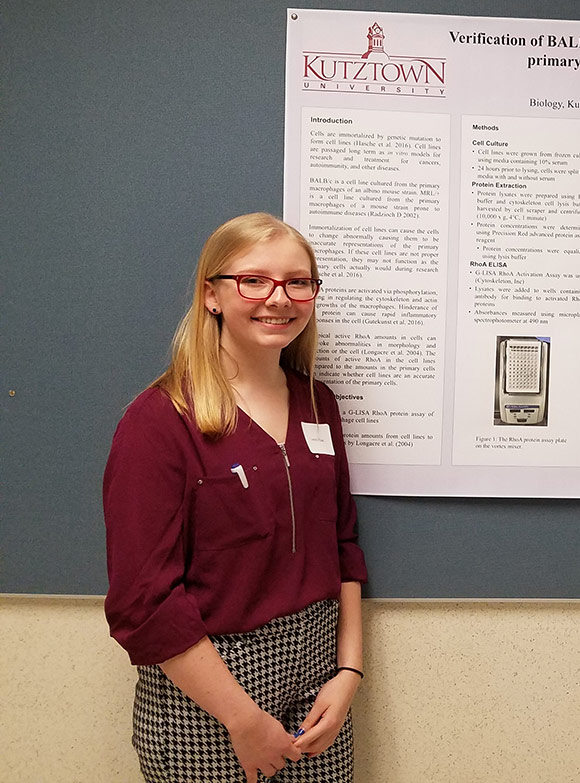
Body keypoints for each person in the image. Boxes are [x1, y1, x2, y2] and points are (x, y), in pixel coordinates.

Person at [104, 213, 368, 782]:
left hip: (321, 683)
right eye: (254, 280)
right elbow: (141, 602)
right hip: (208, 698)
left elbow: (343, 542)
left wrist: (349, 671)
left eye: (298, 282)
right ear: (212, 295)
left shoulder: (319, 404)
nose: (279, 298)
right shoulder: (160, 420)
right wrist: (243, 720)